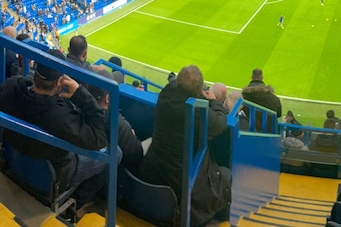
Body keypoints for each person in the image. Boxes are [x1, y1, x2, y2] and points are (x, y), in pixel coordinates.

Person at [0, 49, 112, 202]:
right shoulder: (60, 118)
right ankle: (78, 202)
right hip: (55, 171)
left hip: (17, 157)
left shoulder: (11, 87)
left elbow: (24, 84)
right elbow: (100, 138)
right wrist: (81, 94)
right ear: (60, 81)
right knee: (115, 154)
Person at [140, 65, 231, 225]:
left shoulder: (166, 93)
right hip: (180, 179)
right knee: (226, 175)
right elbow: (220, 124)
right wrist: (214, 102)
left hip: (155, 165)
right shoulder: (196, 110)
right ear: (198, 91)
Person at [87, 69, 143, 174]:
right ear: (107, 98)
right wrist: (132, 137)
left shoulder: (78, 109)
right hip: (118, 175)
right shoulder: (117, 123)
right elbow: (136, 155)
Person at [242, 68, 282, 132]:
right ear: (262, 78)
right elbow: (278, 114)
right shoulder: (274, 98)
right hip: (270, 135)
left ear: (252, 77)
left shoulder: (243, 97)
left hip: (250, 133)